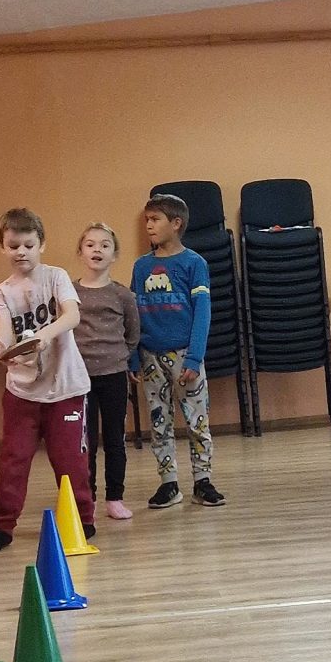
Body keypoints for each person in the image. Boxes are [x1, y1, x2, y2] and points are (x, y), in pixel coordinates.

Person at [0, 208, 94, 554]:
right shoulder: (3, 291)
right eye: (13, 245)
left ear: (41, 244)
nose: (21, 252)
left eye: (28, 245)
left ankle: (82, 520)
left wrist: (44, 335)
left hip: (65, 388)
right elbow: (3, 329)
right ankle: (3, 526)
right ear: (2, 247)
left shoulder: (57, 277)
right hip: (21, 392)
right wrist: (3, 346)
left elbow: (72, 315)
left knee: (70, 461)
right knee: (13, 460)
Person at [130, 192, 224, 508]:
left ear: (176, 223)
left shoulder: (194, 263)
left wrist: (194, 357)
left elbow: (203, 312)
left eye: (155, 219)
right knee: (160, 422)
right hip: (150, 356)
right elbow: (133, 314)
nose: (149, 226)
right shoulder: (141, 266)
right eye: (147, 220)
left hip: (185, 356)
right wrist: (133, 356)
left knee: (197, 421)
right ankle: (168, 482)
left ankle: (202, 480)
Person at [72, 222, 141, 522]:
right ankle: (87, 499)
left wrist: (120, 358)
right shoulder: (69, 292)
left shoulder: (122, 295)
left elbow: (133, 334)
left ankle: (115, 497)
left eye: (104, 245)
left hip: (113, 376)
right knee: (84, 441)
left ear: (114, 255)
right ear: (80, 252)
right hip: (79, 378)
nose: (97, 250)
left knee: (115, 439)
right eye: (90, 244)